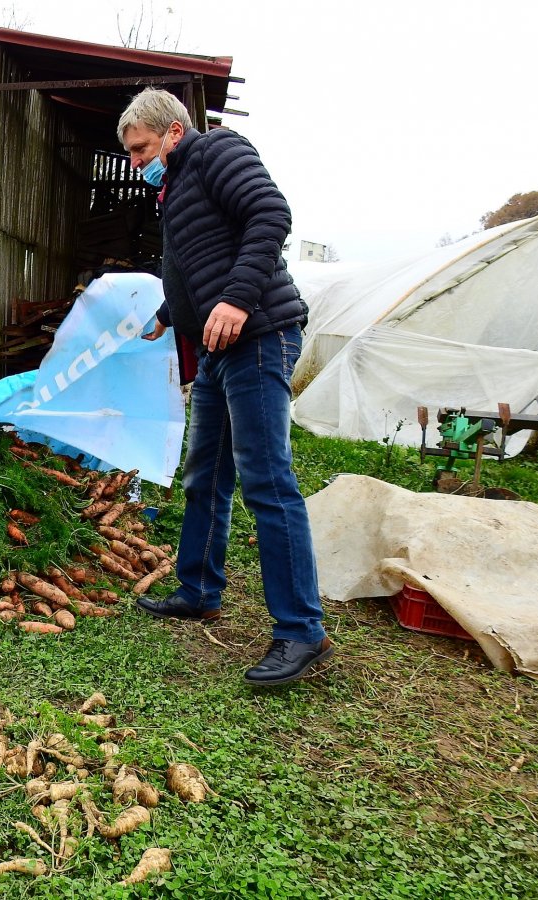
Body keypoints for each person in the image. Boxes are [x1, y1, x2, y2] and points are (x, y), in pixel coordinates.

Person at [117, 88, 333, 686]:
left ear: (172, 133)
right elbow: (197, 265)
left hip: (259, 334)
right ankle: (200, 589)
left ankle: (301, 632)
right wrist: (167, 312)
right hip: (216, 348)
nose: (137, 163)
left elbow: (270, 215)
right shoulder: (178, 188)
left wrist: (237, 299)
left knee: (267, 479)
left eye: (140, 151)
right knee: (205, 473)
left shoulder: (217, 152)